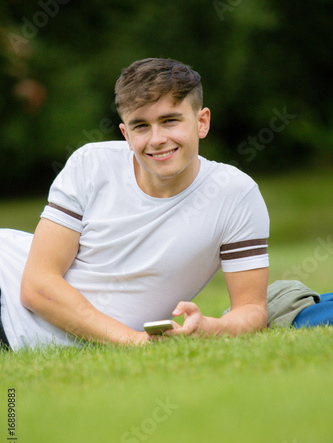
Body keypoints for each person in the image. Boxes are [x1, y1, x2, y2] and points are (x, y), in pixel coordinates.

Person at [0, 58, 329, 352]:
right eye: (141, 126)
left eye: (170, 120)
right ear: (125, 134)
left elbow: (252, 311)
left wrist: (211, 328)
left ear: (202, 122)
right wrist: (135, 341)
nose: (157, 138)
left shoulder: (236, 194)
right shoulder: (90, 164)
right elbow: (36, 286)